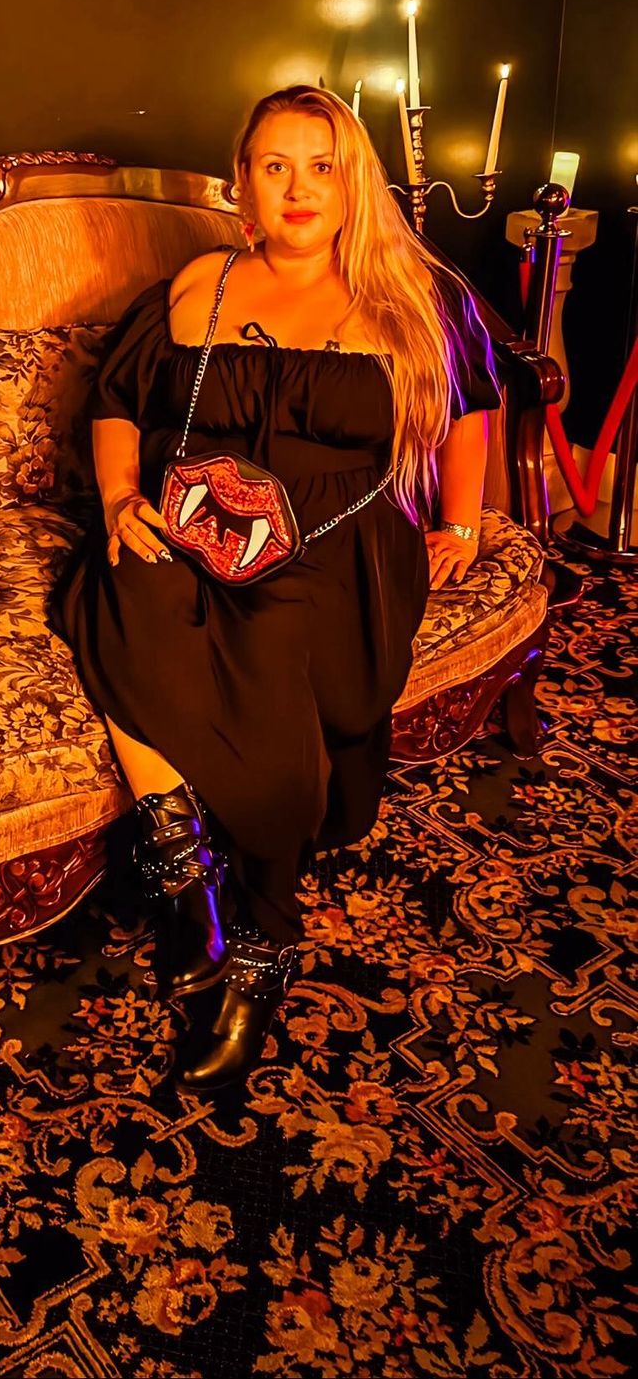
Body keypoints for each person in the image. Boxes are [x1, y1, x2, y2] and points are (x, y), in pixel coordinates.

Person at [50, 84, 501, 1095]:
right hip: (197, 516)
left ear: (353, 181)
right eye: (275, 166)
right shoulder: (201, 284)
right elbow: (117, 399)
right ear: (242, 182)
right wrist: (121, 497)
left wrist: (462, 520)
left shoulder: (410, 292)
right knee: (116, 585)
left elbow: (471, 402)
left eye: (321, 165)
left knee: (276, 649)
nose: (298, 188)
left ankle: (261, 937)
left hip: (337, 536)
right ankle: (184, 866)